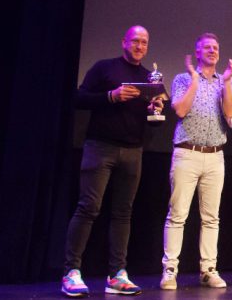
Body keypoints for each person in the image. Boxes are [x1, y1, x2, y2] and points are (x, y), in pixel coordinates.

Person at [62, 25, 164, 298]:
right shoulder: (104, 68)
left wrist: (154, 110)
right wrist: (111, 96)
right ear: (124, 42)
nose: (139, 46)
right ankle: (71, 272)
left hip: (133, 151)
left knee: (123, 213)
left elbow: (153, 123)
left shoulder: (148, 78)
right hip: (100, 147)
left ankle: (117, 274)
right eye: (135, 41)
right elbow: (78, 98)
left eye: (144, 42)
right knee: (88, 208)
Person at [160, 33, 232, 290]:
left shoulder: (227, 80)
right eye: (207, 47)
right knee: (178, 215)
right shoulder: (182, 79)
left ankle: (208, 270)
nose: (213, 51)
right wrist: (195, 79)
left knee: (211, 218)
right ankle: (170, 270)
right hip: (187, 153)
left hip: (215, 156)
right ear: (197, 52)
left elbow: (231, 112)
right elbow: (181, 110)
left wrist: (227, 81)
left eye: (216, 47)